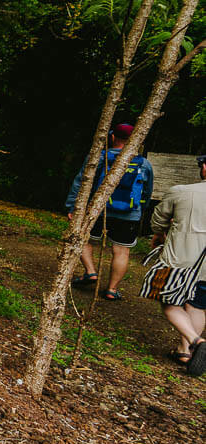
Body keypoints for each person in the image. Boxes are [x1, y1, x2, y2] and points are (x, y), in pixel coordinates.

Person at [65, 124, 154, 300]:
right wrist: (139, 211)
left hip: (98, 209)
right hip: (129, 214)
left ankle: (90, 271)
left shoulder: (100, 157)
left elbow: (82, 181)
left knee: (82, 238)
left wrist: (73, 206)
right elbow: (147, 192)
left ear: (112, 138)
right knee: (121, 251)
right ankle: (112, 290)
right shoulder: (143, 163)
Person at [139, 154, 206, 375]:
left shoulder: (181, 192)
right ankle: (184, 351)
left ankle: (195, 342)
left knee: (169, 301)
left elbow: (158, 219)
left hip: (180, 260)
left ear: (204, 168)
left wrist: (159, 234)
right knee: (197, 305)